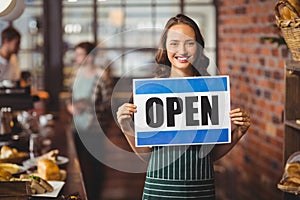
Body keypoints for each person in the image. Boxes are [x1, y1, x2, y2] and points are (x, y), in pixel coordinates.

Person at [116, 14, 251, 199]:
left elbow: (209, 155)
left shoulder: (210, 90)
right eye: (174, 43)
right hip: (159, 190)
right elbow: (148, 156)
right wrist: (125, 126)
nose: (182, 50)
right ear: (165, 47)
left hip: (201, 190)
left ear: (199, 46)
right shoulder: (151, 91)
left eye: (189, 43)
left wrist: (238, 133)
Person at [66, 41, 113, 200]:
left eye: (80, 54)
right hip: (77, 127)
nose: (77, 58)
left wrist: (88, 107)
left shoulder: (102, 75)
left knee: (95, 167)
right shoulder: (75, 73)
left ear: (90, 57)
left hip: (95, 130)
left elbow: (109, 104)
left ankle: (95, 196)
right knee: (78, 167)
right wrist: (71, 107)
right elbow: (68, 95)